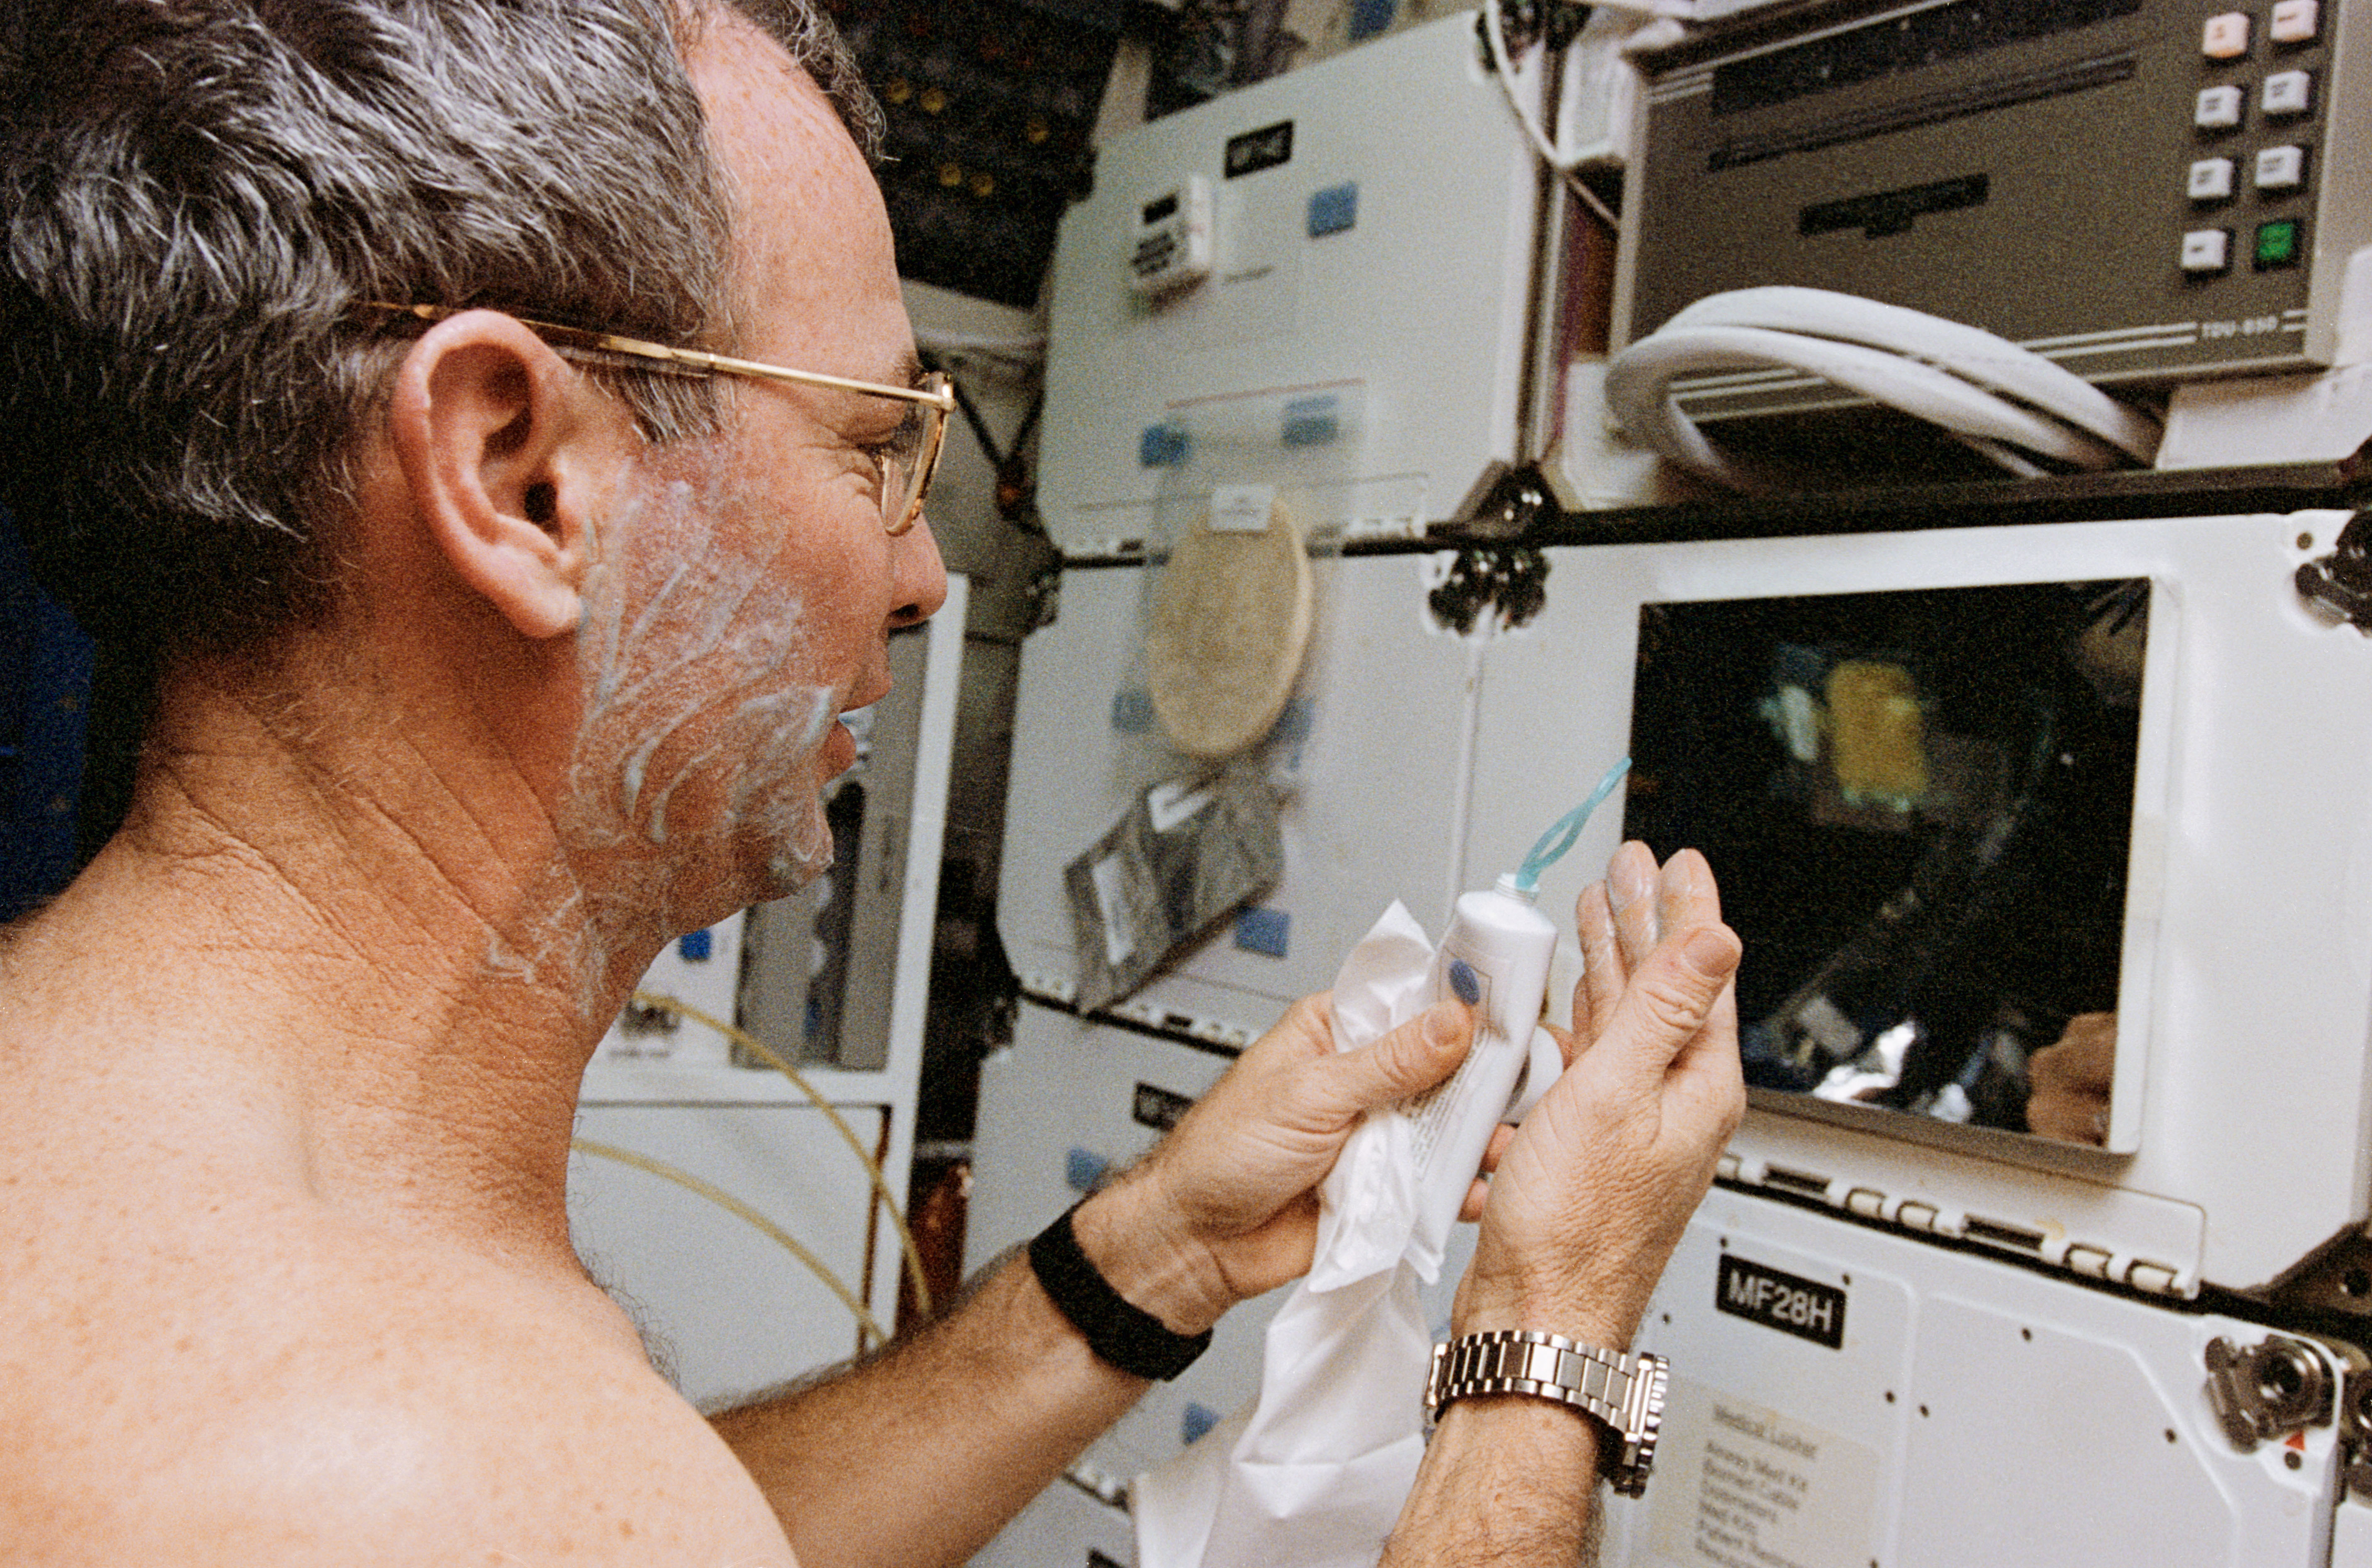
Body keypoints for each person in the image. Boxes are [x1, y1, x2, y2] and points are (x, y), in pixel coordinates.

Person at [0, 2, 1745, 1563]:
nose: (920, 575)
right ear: (520, 477)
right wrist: (1546, 1334)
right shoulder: (387, 1456)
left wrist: (1150, 1254)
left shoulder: (146, 1203)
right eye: (873, 446)